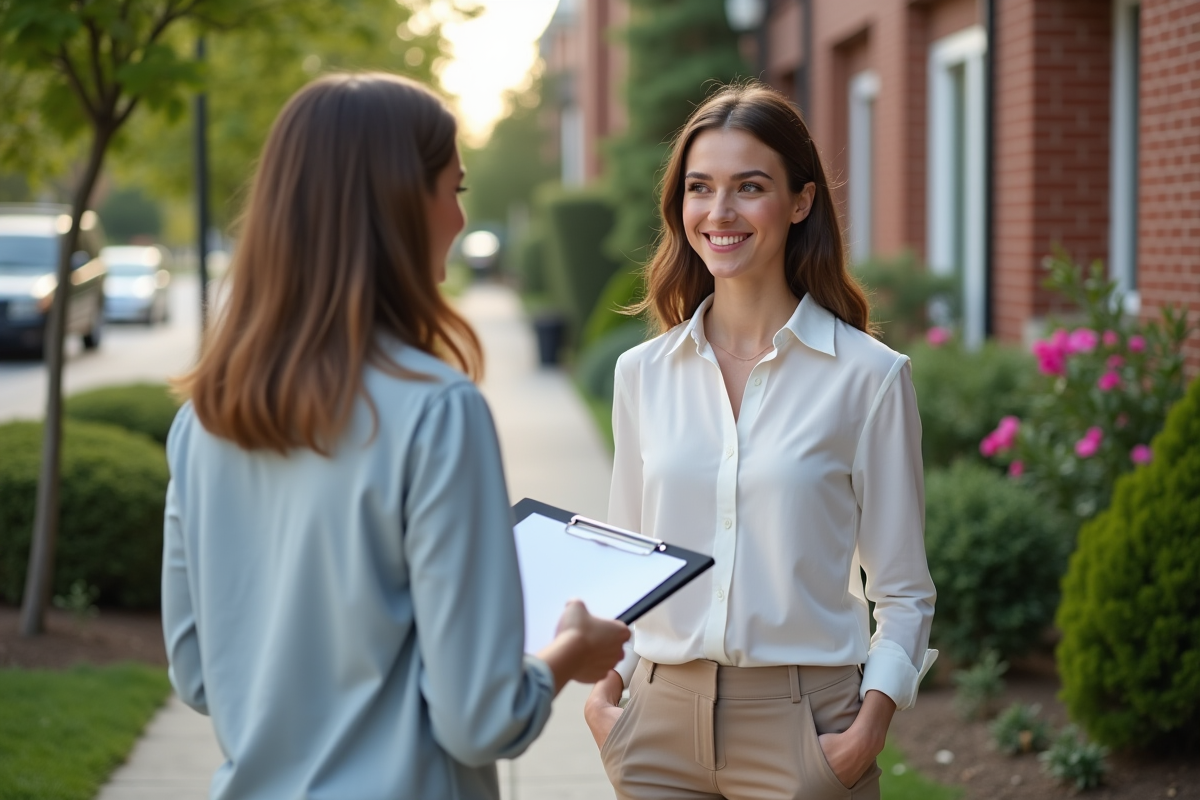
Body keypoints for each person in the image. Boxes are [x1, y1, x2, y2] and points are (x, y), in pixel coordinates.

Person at [162, 73, 629, 800]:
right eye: (455, 189)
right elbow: (480, 720)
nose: (457, 218)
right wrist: (571, 652)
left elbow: (197, 674)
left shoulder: (203, 421)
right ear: (399, 203)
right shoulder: (437, 411)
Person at [584, 81, 937, 800]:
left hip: (807, 729)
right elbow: (626, 563)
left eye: (750, 187)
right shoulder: (642, 374)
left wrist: (870, 724)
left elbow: (902, 590)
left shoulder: (869, 378)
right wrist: (606, 699)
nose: (720, 212)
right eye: (700, 188)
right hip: (656, 728)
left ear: (800, 201)